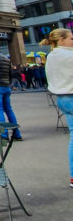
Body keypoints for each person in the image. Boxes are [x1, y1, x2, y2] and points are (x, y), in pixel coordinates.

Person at [41, 28, 73, 188]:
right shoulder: (68, 55)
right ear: (61, 40)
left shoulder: (51, 56)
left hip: (62, 98)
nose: (72, 41)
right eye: (71, 39)